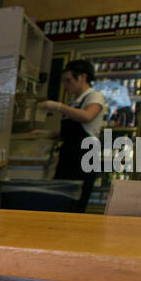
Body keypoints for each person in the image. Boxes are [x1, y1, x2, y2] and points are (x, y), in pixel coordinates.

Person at [40, 59, 107, 212]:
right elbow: (70, 133)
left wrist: (57, 106)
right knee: (61, 201)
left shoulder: (94, 97)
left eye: (68, 80)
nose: (65, 85)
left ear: (83, 77)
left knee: (75, 204)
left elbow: (87, 116)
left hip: (84, 159)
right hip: (69, 157)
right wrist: (47, 134)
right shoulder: (74, 102)